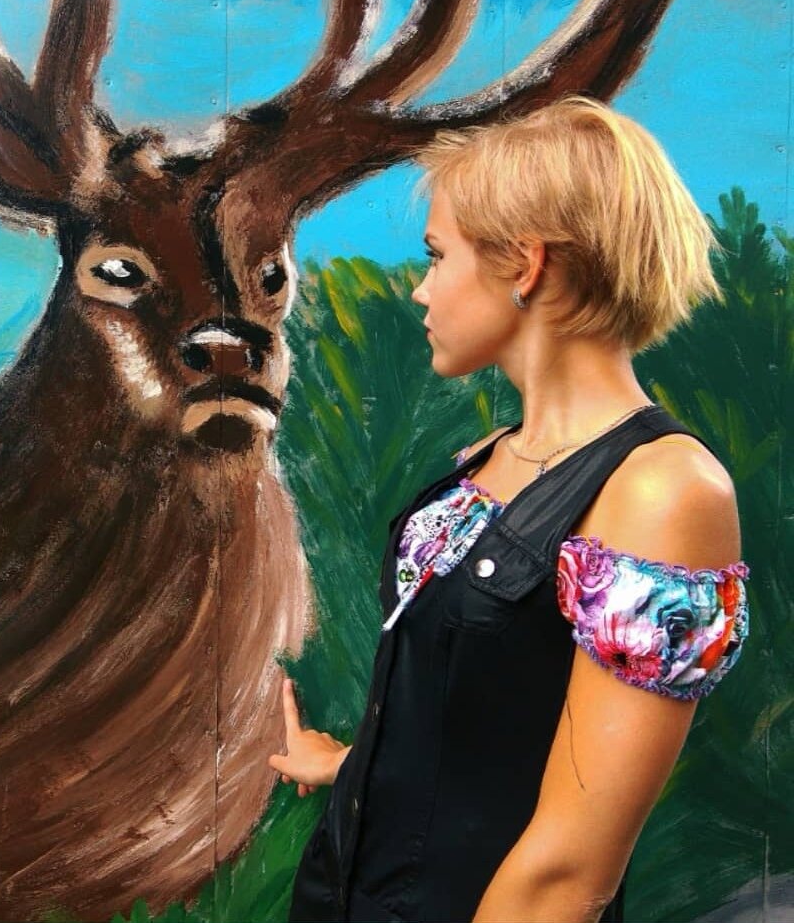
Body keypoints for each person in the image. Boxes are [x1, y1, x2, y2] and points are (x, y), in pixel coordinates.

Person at [269, 96, 749, 923]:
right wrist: (352, 766)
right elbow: (492, 736)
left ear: (525, 265)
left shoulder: (662, 491)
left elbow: (568, 874)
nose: (420, 290)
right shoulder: (490, 456)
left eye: (436, 256)